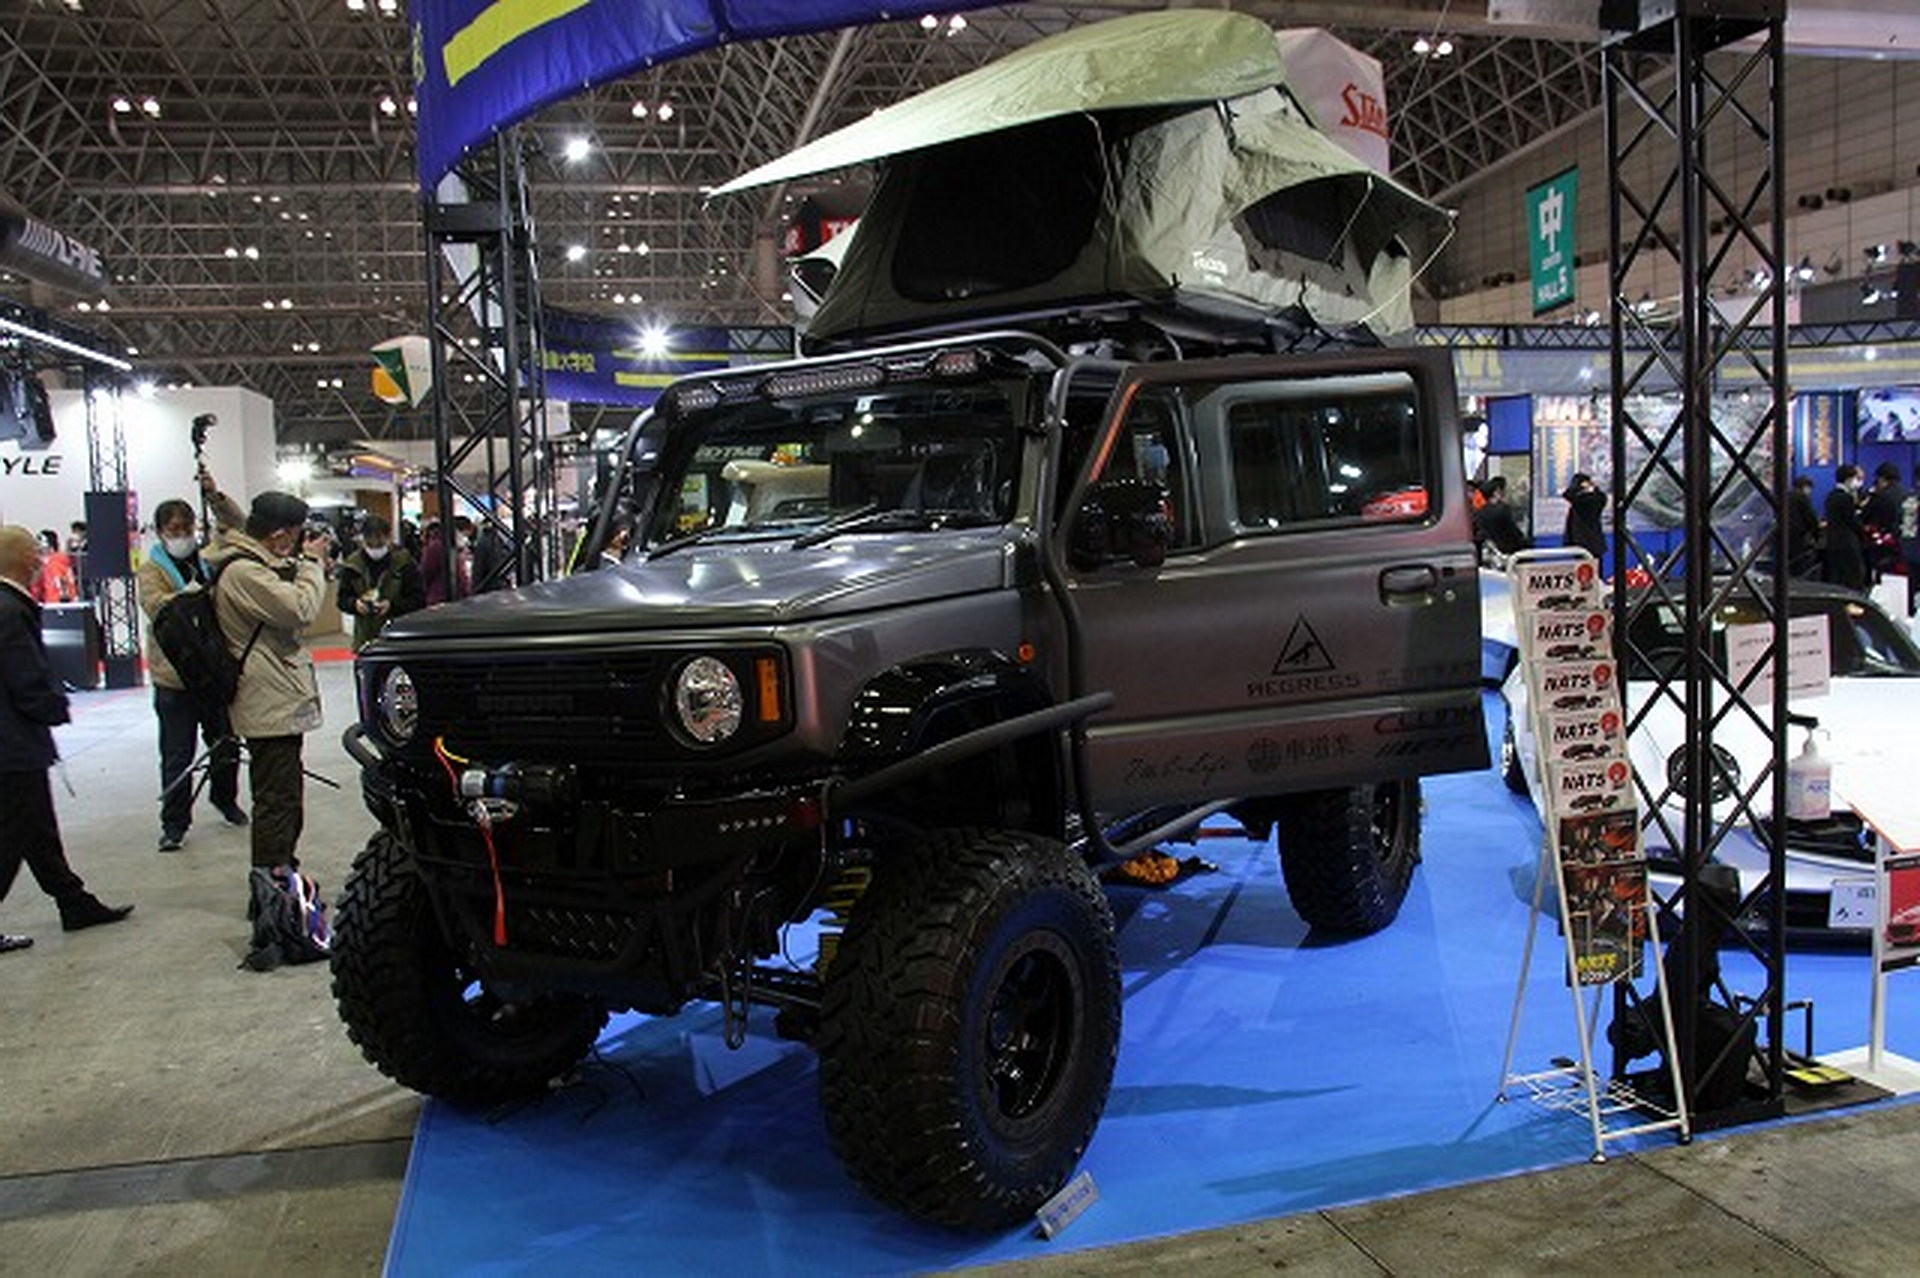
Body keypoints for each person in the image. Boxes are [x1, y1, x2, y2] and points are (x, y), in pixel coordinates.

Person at [0, 525, 134, 951]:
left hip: (16, 742)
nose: (41, 559)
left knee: (37, 831)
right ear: (24, 559)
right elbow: (25, 676)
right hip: (12, 745)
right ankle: (72, 901)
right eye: (35, 553)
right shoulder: (9, 608)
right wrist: (52, 708)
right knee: (11, 835)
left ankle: (73, 901)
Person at [210, 493, 328, 877]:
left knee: (283, 797)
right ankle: (271, 888)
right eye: (295, 536)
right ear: (280, 535)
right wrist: (312, 563)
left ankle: (279, 875)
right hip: (267, 701)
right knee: (277, 801)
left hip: (273, 697)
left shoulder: (251, 563)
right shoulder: (244, 572)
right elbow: (300, 609)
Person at [136, 475, 249, 851]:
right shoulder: (151, 570)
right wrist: (188, 598)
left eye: (187, 528)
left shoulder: (207, 558)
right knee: (176, 754)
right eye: (174, 530)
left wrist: (215, 495)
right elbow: (156, 606)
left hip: (213, 673)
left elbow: (236, 525)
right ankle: (174, 822)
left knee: (225, 745)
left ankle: (225, 798)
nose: (181, 535)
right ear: (161, 531)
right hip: (174, 679)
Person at [335, 515, 425, 651]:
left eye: (380, 543)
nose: (375, 548)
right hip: (365, 639)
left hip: (399, 636)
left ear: (389, 538)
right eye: (370, 544)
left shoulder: (404, 563)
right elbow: (342, 599)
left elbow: (419, 599)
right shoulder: (352, 565)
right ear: (363, 540)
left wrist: (392, 606)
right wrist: (354, 604)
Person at [1823, 463, 1869, 591]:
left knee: (1838, 576)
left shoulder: (1831, 496)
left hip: (1833, 541)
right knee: (1854, 574)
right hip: (1847, 542)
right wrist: (1863, 530)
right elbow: (1852, 520)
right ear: (1849, 479)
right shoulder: (1845, 498)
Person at [1862, 461, 1909, 579]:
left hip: (1883, 541)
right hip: (1903, 541)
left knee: (1882, 572)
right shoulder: (1907, 494)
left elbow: (1865, 516)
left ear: (1881, 478)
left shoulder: (1880, 496)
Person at [421, 515, 474, 605]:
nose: (466, 539)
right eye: (464, 535)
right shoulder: (438, 546)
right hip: (440, 598)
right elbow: (427, 572)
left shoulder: (455, 548)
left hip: (449, 597)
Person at [1474, 476, 1529, 561]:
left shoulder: (1479, 513)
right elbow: (1515, 535)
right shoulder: (1503, 510)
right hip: (1515, 554)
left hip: (1497, 556)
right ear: (1497, 492)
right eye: (1504, 491)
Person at [1561, 472, 1607, 566]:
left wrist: (1580, 487)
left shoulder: (1583, 501)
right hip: (1593, 543)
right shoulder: (1593, 498)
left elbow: (1568, 494)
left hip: (1584, 543)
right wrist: (1591, 488)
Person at [1784, 474, 1822, 579]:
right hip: (1798, 537)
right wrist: (1817, 534)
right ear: (1805, 487)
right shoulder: (1802, 497)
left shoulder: (1786, 496)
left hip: (1784, 536)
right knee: (1801, 566)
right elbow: (1810, 518)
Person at [30, 529, 78, 604]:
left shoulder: (46, 564)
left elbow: (37, 589)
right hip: (71, 601)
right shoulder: (64, 561)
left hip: (51, 602)